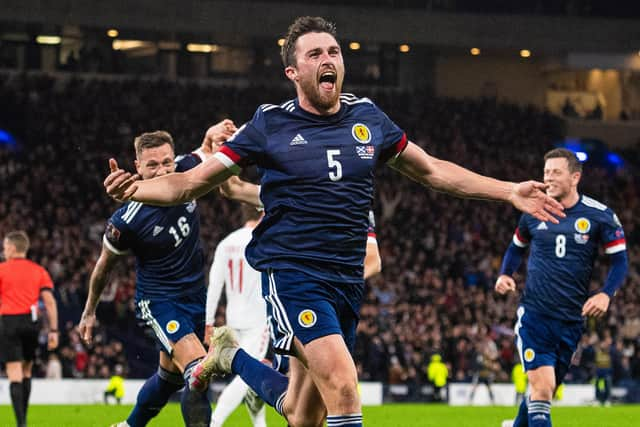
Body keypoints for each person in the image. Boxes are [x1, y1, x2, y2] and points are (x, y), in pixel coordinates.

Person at [103, 16, 564, 427]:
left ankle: (231, 356)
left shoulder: (368, 119)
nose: (329, 60)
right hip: (295, 276)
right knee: (345, 388)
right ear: (294, 72)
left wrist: (507, 190)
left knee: (304, 415)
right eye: (315, 54)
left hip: (345, 281)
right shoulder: (267, 125)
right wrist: (135, 189)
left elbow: (433, 170)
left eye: (334, 52)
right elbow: (188, 184)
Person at [78, 121, 237, 427]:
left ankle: (130, 425)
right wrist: (89, 311)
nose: (163, 170)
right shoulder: (126, 219)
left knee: (169, 378)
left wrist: (209, 136)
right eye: (152, 165)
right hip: (160, 301)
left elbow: (203, 152)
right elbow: (103, 266)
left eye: (167, 161)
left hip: (194, 297)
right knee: (198, 370)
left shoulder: (184, 172)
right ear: (137, 166)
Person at [496, 148, 628, 427]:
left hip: (571, 321)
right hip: (535, 315)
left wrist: (606, 293)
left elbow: (620, 261)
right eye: (546, 172)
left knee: (544, 390)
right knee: (542, 389)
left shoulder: (600, 216)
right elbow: (515, 248)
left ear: (575, 177)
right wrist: (505, 274)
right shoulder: (532, 211)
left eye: (556, 172)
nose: (548, 178)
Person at [205, 204, 269, 427]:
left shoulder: (226, 243)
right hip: (258, 320)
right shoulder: (263, 240)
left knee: (251, 377)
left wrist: (209, 322)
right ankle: (215, 421)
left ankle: (260, 424)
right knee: (247, 376)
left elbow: (215, 285)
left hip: (234, 319)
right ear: (262, 213)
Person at [0, 230, 59, 427]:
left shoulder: (2, 270)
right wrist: (53, 331)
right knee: (27, 370)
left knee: (14, 372)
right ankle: (23, 421)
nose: (4, 251)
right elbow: (49, 302)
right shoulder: (39, 270)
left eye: (5, 247)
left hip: (8, 321)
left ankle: (21, 423)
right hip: (31, 323)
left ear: (12, 248)